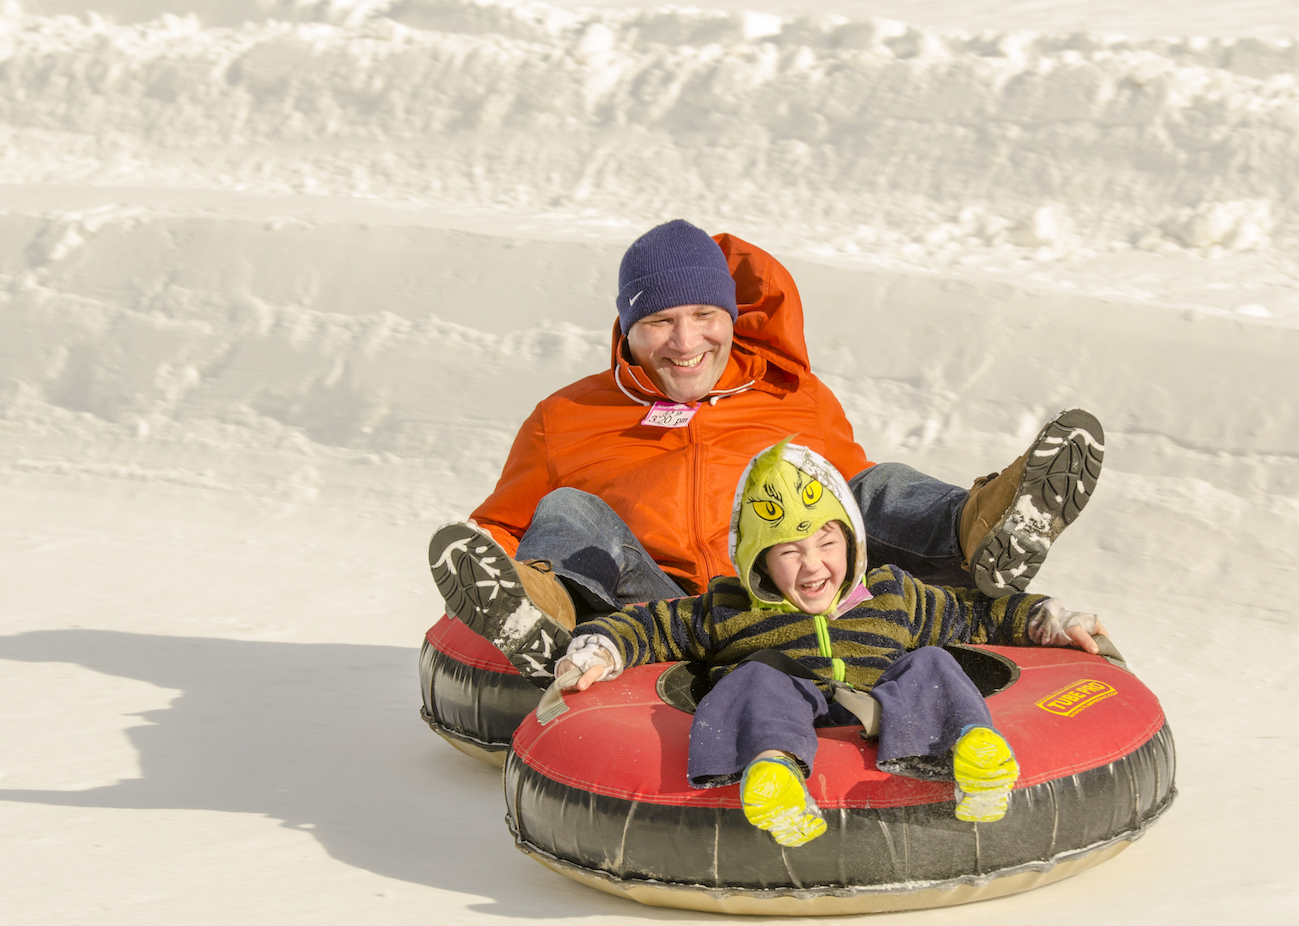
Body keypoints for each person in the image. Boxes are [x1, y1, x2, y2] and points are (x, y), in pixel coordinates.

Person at [428, 219, 1105, 681]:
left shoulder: (791, 395)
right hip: (666, 612)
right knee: (567, 508)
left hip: (782, 592)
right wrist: (496, 572)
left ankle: (991, 525)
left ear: (730, 317)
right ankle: (537, 622)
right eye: (658, 321)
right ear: (626, 330)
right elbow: (503, 526)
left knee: (865, 483)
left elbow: (850, 512)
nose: (684, 342)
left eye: (703, 317)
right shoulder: (566, 415)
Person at [549, 439, 1109, 847]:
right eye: (789, 551)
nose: (813, 564)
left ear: (852, 539)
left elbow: (973, 615)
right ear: (759, 560)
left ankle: (971, 750)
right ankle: (771, 773)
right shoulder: (729, 607)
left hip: (880, 708)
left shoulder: (893, 595)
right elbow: (654, 625)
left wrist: (1046, 619)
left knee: (932, 660)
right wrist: (600, 646)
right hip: (787, 709)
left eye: (826, 540)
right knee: (755, 677)